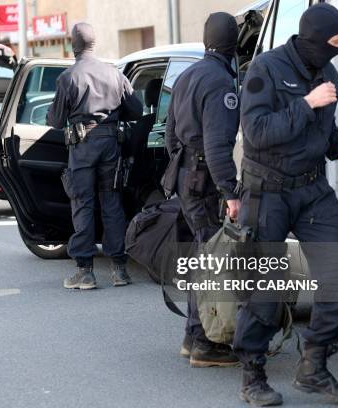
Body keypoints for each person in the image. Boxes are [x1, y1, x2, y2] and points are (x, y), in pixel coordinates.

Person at [234, 4, 338, 406]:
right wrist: (305, 103)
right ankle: (253, 374)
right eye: (335, 43)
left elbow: (323, 133)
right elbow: (256, 133)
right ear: (314, 39)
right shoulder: (265, 70)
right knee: (265, 289)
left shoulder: (326, 72)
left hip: (310, 188)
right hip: (266, 190)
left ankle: (314, 365)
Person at [164, 12, 241, 367]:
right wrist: (230, 191)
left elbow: (169, 135)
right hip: (205, 180)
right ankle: (206, 344)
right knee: (213, 260)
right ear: (233, 43)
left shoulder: (188, 76)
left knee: (203, 254)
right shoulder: (221, 83)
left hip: (185, 176)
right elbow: (217, 146)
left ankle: (193, 336)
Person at [46, 22, 143, 289]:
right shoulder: (114, 73)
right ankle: (120, 270)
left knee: (83, 204)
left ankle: (85, 271)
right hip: (111, 143)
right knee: (112, 202)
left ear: (72, 45)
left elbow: (55, 120)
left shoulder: (68, 77)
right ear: (94, 43)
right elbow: (136, 110)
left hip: (83, 146)